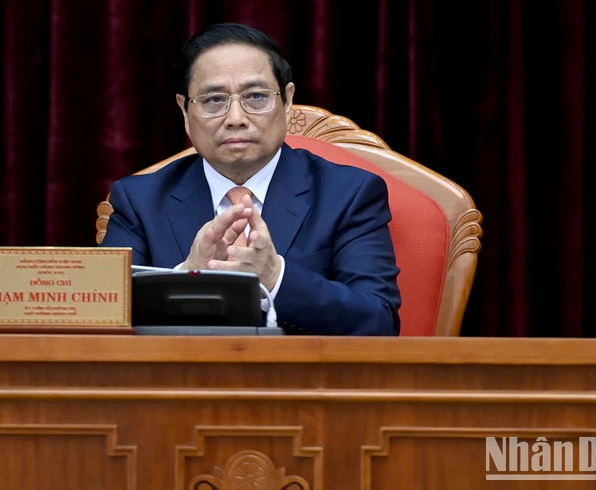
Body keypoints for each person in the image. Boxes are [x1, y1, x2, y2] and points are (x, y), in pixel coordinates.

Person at [101, 22, 401, 335]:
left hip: (303, 380)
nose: (235, 119)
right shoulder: (139, 200)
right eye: (214, 100)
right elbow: (100, 317)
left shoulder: (349, 194)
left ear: (287, 102)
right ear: (185, 112)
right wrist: (183, 278)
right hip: (179, 380)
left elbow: (378, 322)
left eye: (256, 96)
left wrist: (275, 277)